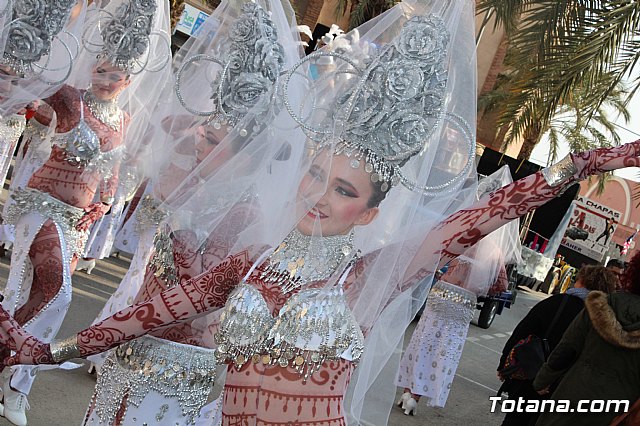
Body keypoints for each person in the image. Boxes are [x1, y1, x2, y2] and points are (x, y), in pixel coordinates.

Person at [1, 2, 640, 425]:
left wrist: (581, 166)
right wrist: (43, 348)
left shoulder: (367, 273)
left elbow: (480, 215)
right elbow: (149, 313)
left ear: (369, 212)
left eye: (341, 189)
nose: (316, 194)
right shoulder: (253, 262)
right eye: (315, 174)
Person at [0, 1, 172, 424]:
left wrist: (104, 206)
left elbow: (113, 169)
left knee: (39, 298)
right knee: (59, 295)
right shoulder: (71, 100)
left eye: (118, 74)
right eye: (103, 70)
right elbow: (32, 82)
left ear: (129, 79)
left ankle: (12, 373)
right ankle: (20, 383)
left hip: (78, 222)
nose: (109, 80)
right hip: (42, 208)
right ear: (91, 69)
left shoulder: (125, 121)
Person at [396, 166, 521, 415]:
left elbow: (436, 259)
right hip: (463, 305)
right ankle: (416, 397)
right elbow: (501, 286)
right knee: (443, 352)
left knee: (423, 342)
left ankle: (408, 391)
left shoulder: (463, 236)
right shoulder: (495, 252)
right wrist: (483, 283)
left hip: (441, 294)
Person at [497, 265, 618, 426]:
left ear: (582, 281)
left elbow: (522, 331)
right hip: (566, 387)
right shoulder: (604, 319)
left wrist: (504, 364)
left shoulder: (557, 302)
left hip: (531, 374)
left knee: (516, 421)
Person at [532, 252, 640, 426]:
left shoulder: (601, 304)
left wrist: (542, 380)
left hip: (574, 394)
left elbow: (566, 349)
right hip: (617, 411)